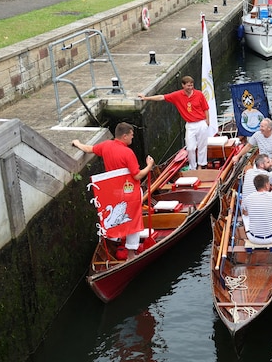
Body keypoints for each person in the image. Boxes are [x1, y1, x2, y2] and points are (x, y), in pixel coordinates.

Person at [72, 122, 155, 259]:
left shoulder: (105, 145)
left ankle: (115, 240)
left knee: (116, 216)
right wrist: (149, 166)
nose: (132, 139)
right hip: (129, 191)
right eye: (131, 136)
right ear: (124, 136)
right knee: (133, 218)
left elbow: (87, 148)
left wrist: (77, 143)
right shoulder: (128, 153)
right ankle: (130, 254)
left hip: (113, 192)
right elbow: (137, 175)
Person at [138, 76, 210, 171]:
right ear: (183, 85)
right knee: (190, 148)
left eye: (191, 85)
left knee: (202, 145)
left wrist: (207, 121)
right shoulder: (177, 95)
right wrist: (146, 98)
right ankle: (193, 167)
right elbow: (162, 97)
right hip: (190, 125)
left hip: (201, 123)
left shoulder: (199, 94)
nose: (190, 88)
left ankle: (201, 165)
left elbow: (205, 108)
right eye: (188, 86)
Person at [241, 174, 272, 245]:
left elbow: (245, 213)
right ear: (267, 185)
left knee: (245, 216)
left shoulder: (247, 198)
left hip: (253, 238)